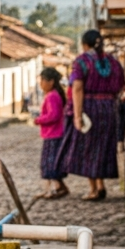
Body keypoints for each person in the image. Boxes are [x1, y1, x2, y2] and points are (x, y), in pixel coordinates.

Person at [52, 30, 125, 201]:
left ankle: (94, 188)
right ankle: (101, 186)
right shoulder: (113, 61)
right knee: (103, 147)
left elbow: (77, 88)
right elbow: (121, 85)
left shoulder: (82, 61)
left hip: (89, 109)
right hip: (109, 109)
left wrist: (77, 116)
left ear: (85, 44)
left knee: (89, 148)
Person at [34, 66, 68, 198]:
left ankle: (55, 188)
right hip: (52, 134)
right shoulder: (52, 95)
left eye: (43, 80)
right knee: (50, 162)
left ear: (51, 81)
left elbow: (53, 115)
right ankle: (53, 188)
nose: (41, 83)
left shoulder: (52, 96)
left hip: (54, 134)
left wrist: (38, 120)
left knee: (51, 163)